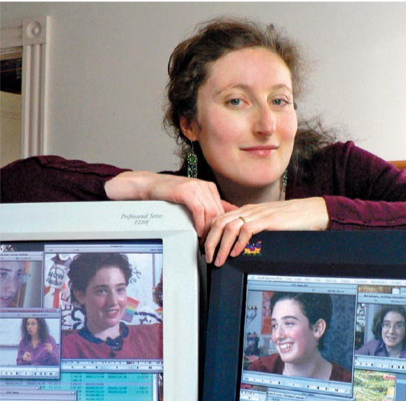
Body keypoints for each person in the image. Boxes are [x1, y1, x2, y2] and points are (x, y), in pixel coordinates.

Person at [1, 18, 406, 266]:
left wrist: (319, 212)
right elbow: (14, 187)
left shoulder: (341, 170)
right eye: (236, 101)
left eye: (280, 100)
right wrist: (144, 185)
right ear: (190, 124)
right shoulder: (169, 207)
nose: (267, 124)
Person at [61, 252, 162, 360]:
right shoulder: (65, 349)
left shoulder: (154, 335)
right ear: (80, 295)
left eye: (120, 289)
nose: (113, 302)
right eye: (102, 291)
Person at [249, 292, 352, 382]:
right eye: (275, 325)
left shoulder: (346, 381)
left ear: (318, 329)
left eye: (289, 323)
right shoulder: (260, 369)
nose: (277, 336)